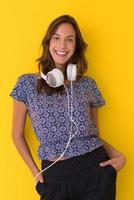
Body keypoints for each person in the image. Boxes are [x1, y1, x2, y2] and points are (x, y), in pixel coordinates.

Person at [10, 15, 126, 200]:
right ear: (48, 42)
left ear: (76, 46)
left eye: (69, 39)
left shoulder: (87, 85)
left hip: (94, 171)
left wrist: (119, 159)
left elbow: (94, 134)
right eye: (56, 37)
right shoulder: (26, 84)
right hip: (55, 176)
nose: (62, 45)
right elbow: (16, 134)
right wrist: (35, 173)